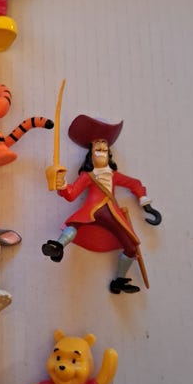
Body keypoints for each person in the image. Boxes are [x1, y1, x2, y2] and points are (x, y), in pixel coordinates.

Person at [42, 114, 162, 294]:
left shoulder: (114, 175)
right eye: (98, 149)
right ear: (91, 154)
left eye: (104, 150)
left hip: (112, 213)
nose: (101, 153)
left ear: (109, 154)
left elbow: (134, 183)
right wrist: (63, 185)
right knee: (74, 224)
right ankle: (58, 246)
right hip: (91, 210)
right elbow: (72, 194)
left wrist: (145, 203)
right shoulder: (87, 176)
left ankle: (119, 281)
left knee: (131, 247)